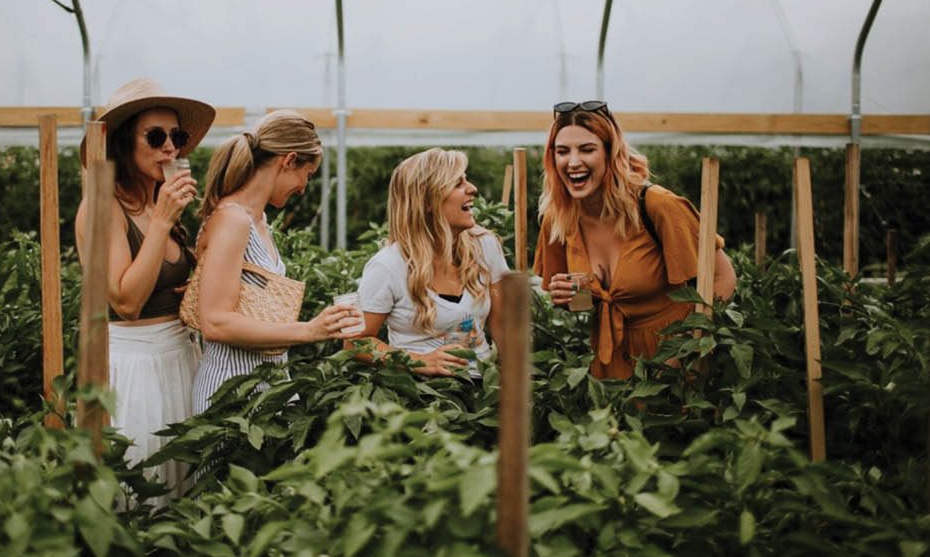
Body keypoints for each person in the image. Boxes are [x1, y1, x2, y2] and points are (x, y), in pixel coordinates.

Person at [74, 78, 213, 505]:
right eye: (155, 136)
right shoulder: (103, 207)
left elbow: (159, 280)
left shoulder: (161, 206)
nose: (170, 148)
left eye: (178, 136)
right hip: (136, 367)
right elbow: (127, 302)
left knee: (185, 493)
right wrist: (161, 223)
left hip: (181, 359)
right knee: (144, 490)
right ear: (123, 144)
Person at [533, 101, 736, 380]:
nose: (573, 161)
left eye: (587, 149)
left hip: (673, 356)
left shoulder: (656, 205)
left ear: (609, 153)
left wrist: (689, 347)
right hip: (608, 362)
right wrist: (567, 297)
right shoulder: (558, 219)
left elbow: (722, 276)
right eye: (562, 151)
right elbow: (582, 302)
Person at [191, 110, 362, 414]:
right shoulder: (233, 219)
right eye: (306, 174)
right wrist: (309, 330)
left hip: (266, 384)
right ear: (289, 160)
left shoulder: (258, 220)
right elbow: (215, 322)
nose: (304, 187)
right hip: (231, 390)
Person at [347, 148, 510, 378]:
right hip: (420, 395)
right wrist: (420, 362)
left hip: (482, 390)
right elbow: (356, 343)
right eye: (457, 183)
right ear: (427, 202)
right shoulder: (388, 266)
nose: (472, 188)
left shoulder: (485, 246)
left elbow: (503, 325)